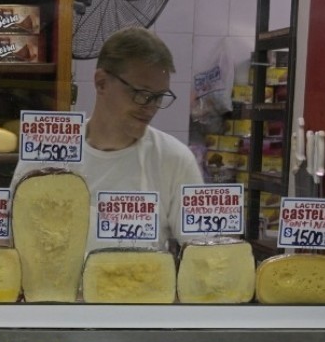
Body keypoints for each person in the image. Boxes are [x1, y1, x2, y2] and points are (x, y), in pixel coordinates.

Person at [11, 25, 204, 253]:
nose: (151, 107)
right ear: (101, 82)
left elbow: (204, 251)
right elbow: (13, 232)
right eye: (141, 94)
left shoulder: (174, 160)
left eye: (158, 97)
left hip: (140, 277)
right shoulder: (49, 147)